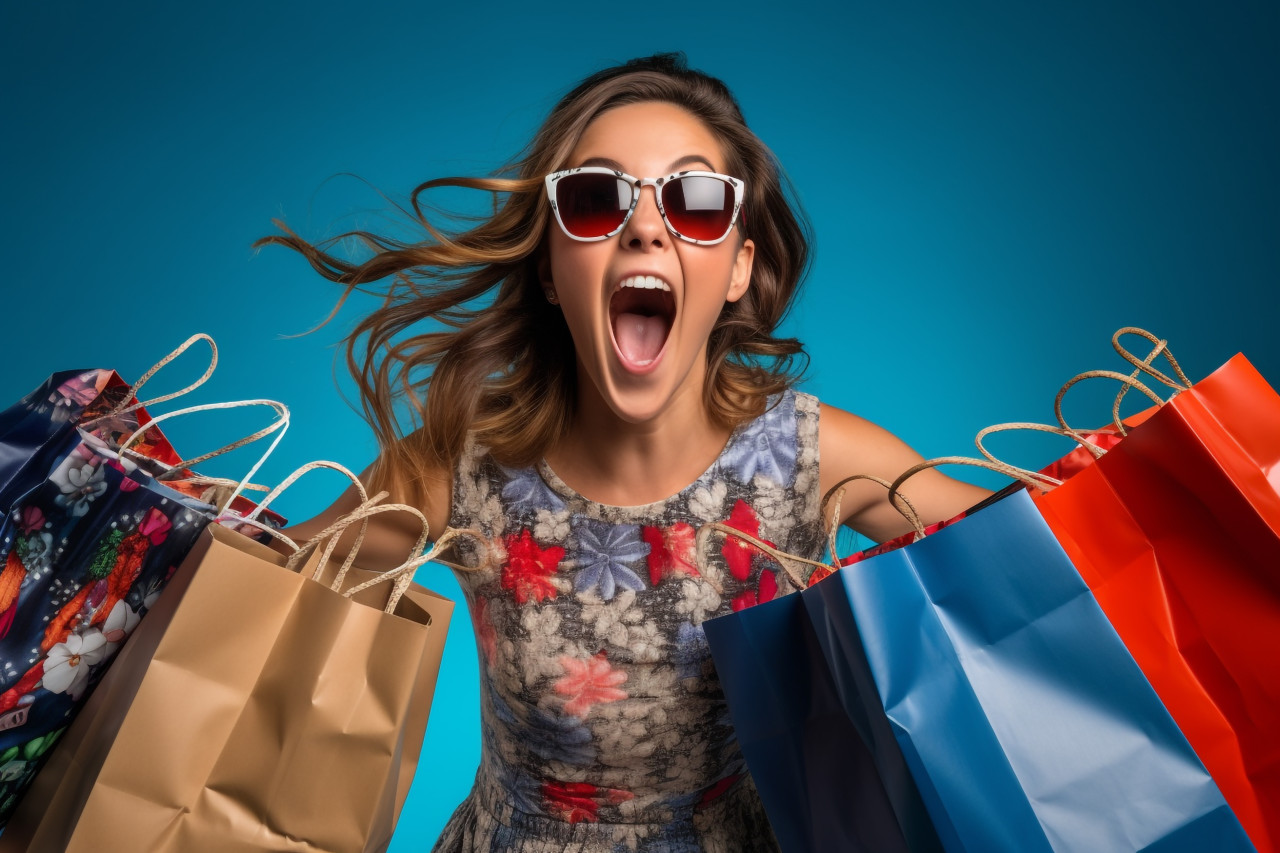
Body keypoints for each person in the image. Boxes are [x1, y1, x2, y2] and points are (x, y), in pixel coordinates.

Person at [263, 53, 988, 852]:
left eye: (699, 204)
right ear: (548, 266)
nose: (646, 226)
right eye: (595, 198)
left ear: (740, 266)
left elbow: (1040, 567)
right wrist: (139, 503)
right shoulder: (457, 464)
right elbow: (262, 586)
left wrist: (1138, 474)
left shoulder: (818, 459)